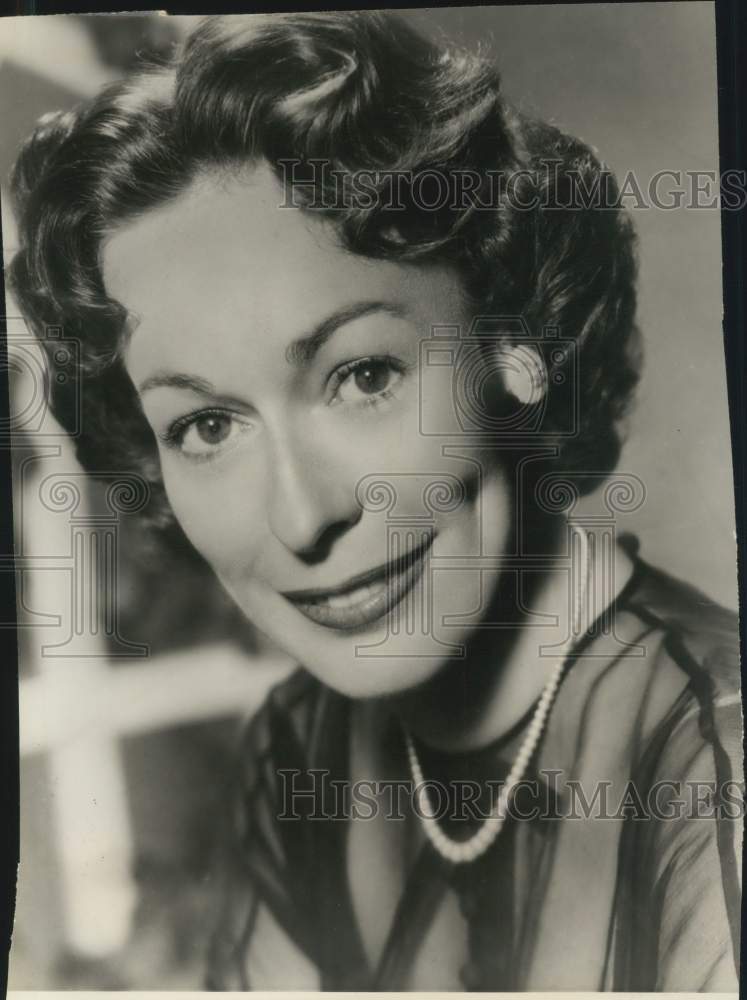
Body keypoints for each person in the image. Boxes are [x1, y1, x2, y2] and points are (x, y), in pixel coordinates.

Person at [8, 11, 741, 992]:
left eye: (361, 375)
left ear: (510, 344)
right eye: (206, 427)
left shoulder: (719, 764)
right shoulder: (299, 748)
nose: (303, 516)